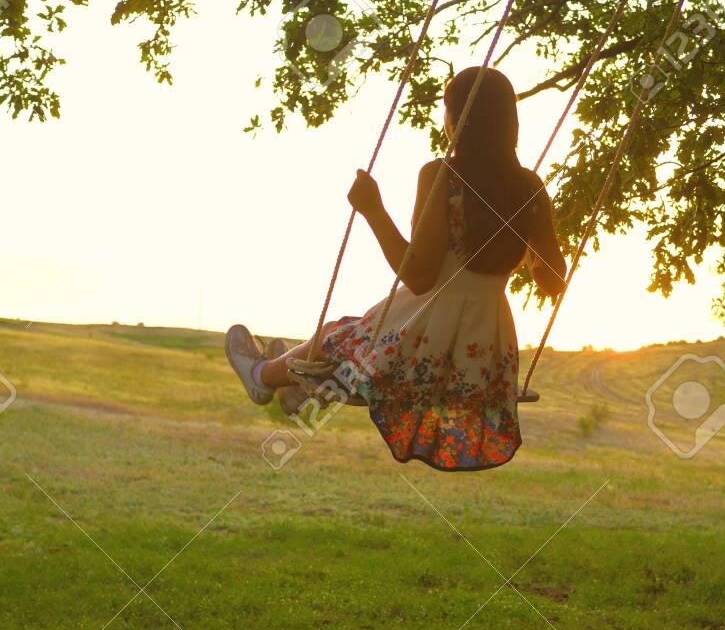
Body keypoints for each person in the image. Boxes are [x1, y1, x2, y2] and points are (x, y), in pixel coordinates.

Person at [226, 66, 566, 471]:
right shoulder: (530, 188)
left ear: (458, 117)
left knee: (340, 337)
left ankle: (262, 375)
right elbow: (551, 279)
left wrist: (373, 210)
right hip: (487, 347)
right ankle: (297, 387)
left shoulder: (442, 175)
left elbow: (420, 277)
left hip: (431, 330)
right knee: (351, 339)